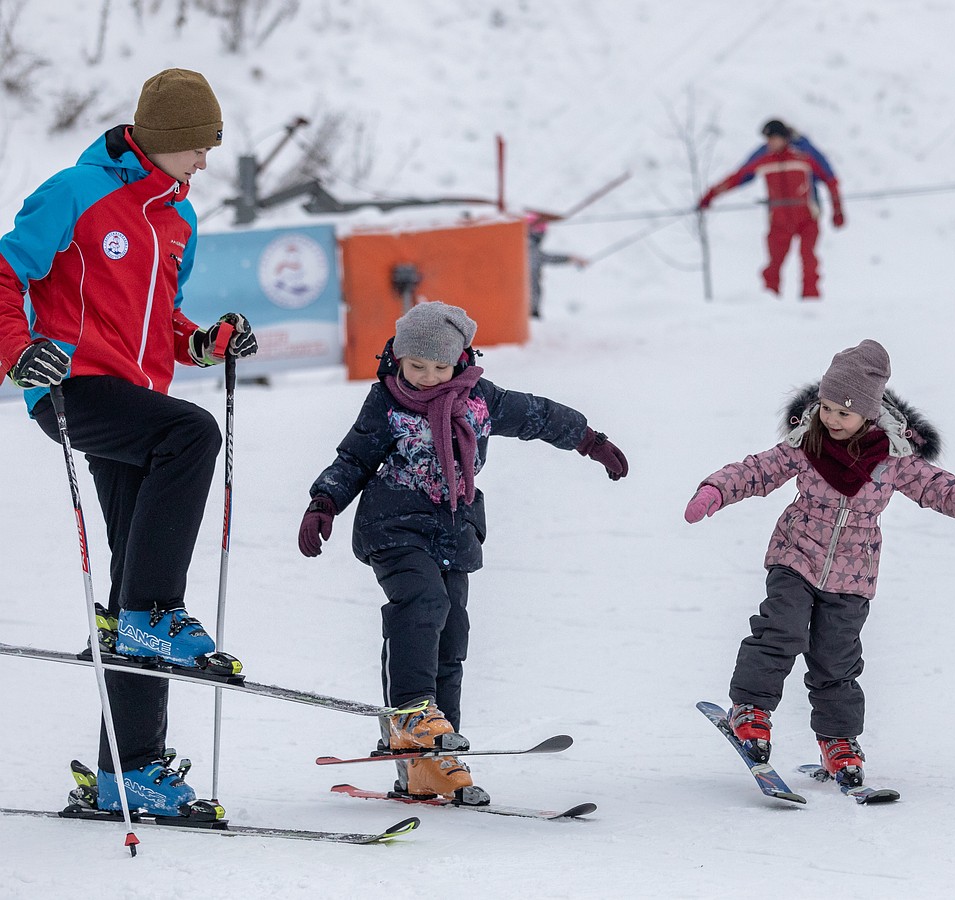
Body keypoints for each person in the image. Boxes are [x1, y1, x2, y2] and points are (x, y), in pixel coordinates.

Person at [0, 68, 259, 816]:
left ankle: (130, 770)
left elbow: (167, 322)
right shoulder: (75, 192)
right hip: (72, 387)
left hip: (137, 400)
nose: (205, 162)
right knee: (193, 435)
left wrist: (205, 342)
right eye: (198, 146)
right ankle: (151, 614)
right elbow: (4, 270)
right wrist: (18, 352)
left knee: (134, 591)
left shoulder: (179, 220)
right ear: (165, 138)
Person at [297, 301, 627, 804]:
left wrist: (587, 438)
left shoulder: (480, 399)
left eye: (439, 367)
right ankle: (411, 716)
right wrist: (324, 502)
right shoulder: (386, 403)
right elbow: (355, 456)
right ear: (397, 359)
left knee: (452, 635)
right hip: (394, 527)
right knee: (422, 604)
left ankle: (433, 757)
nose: (428, 378)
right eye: (416, 366)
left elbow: (537, 414)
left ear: (461, 360)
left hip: (454, 532)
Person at [683, 340, 955, 786]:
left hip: (853, 576)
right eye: (827, 407)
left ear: (868, 414)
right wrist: (715, 492)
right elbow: (756, 470)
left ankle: (839, 741)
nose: (831, 418)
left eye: (843, 413)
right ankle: (750, 710)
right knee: (781, 630)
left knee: (837, 660)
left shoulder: (893, 459)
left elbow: (938, 485)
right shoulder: (805, 443)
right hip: (795, 555)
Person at [698, 118, 844, 299]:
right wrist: (710, 195)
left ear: (784, 138)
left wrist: (837, 209)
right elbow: (737, 178)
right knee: (774, 265)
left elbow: (830, 179)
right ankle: (770, 304)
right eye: (768, 140)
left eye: (773, 139)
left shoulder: (804, 157)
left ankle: (811, 302)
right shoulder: (764, 160)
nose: (770, 143)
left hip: (807, 218)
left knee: (809, 261)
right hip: (779, 221)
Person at [525, 212, 587, 318]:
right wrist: (571, 258)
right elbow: (547, 258)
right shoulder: (528, 249)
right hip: (527, 308)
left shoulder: (519, 246)